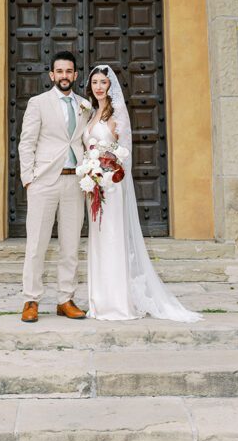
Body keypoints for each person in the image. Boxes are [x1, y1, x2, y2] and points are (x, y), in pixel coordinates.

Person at [84, 64, 202, 323]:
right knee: (99, 240)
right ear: (90, 87)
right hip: (93, 187)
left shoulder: (117, 117)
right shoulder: (90, 115)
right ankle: (99, 302)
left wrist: (106, 168)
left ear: (110, 86)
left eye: (103, 82)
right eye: (95, 83)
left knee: (113, 239)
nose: (99, 87)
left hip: (112, 188)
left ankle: (117, 303)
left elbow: (121, 153)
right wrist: (89, 171)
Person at [18, 51, 92, 323]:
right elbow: (26, 142)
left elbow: (86, 142)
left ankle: (65, 299)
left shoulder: (85, 105)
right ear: (52, 75)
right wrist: (29, 179)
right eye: (59, 71)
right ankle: (31, 299)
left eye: (68, 71)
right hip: (44, 182)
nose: (64, 76)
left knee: (70, 245)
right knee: (36, 244)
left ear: (75, 75)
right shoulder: (38, 103)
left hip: (75, 182)